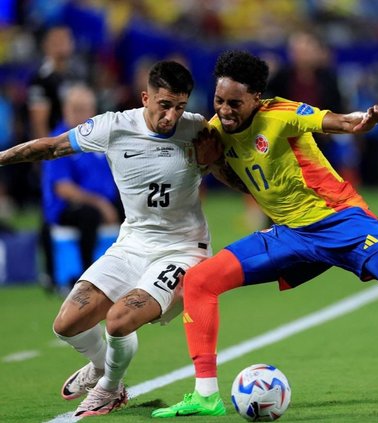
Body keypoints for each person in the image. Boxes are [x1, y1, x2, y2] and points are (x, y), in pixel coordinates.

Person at [151, 50, 378, 418]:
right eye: (218, 101)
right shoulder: (217, 132)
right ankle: (206, 396)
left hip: (345, 225)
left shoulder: (281, 114)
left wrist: (361, 121)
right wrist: (212, 163)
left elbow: (336, 121)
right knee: (199, 282)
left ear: (257, 99)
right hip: (291, 235)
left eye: (234, 103)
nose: (224, 110)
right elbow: (251, 186)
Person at [0, 60, 221, 417]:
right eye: (164, 105)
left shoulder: (198, 131)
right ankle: (104, 366)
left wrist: (218, 166)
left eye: (180, 107)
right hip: (133, 243)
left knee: (119, 320)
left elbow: (235, 177)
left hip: (182, 250)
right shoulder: (113, 127)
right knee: (67, 324)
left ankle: (109, 388)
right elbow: (51, 147)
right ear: (145, 97)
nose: (171, 116)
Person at [40, 84, 123, 293]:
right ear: (66, 109)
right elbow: (63, 188)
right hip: (69, 207)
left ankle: (133, 270)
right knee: (89, 216)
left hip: (103, 201)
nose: (84, 115)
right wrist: (101, 204)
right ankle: (87, 279)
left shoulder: (96, 139)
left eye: (87, 109)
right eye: (78, 109)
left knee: (138, 208)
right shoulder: (59, 141)